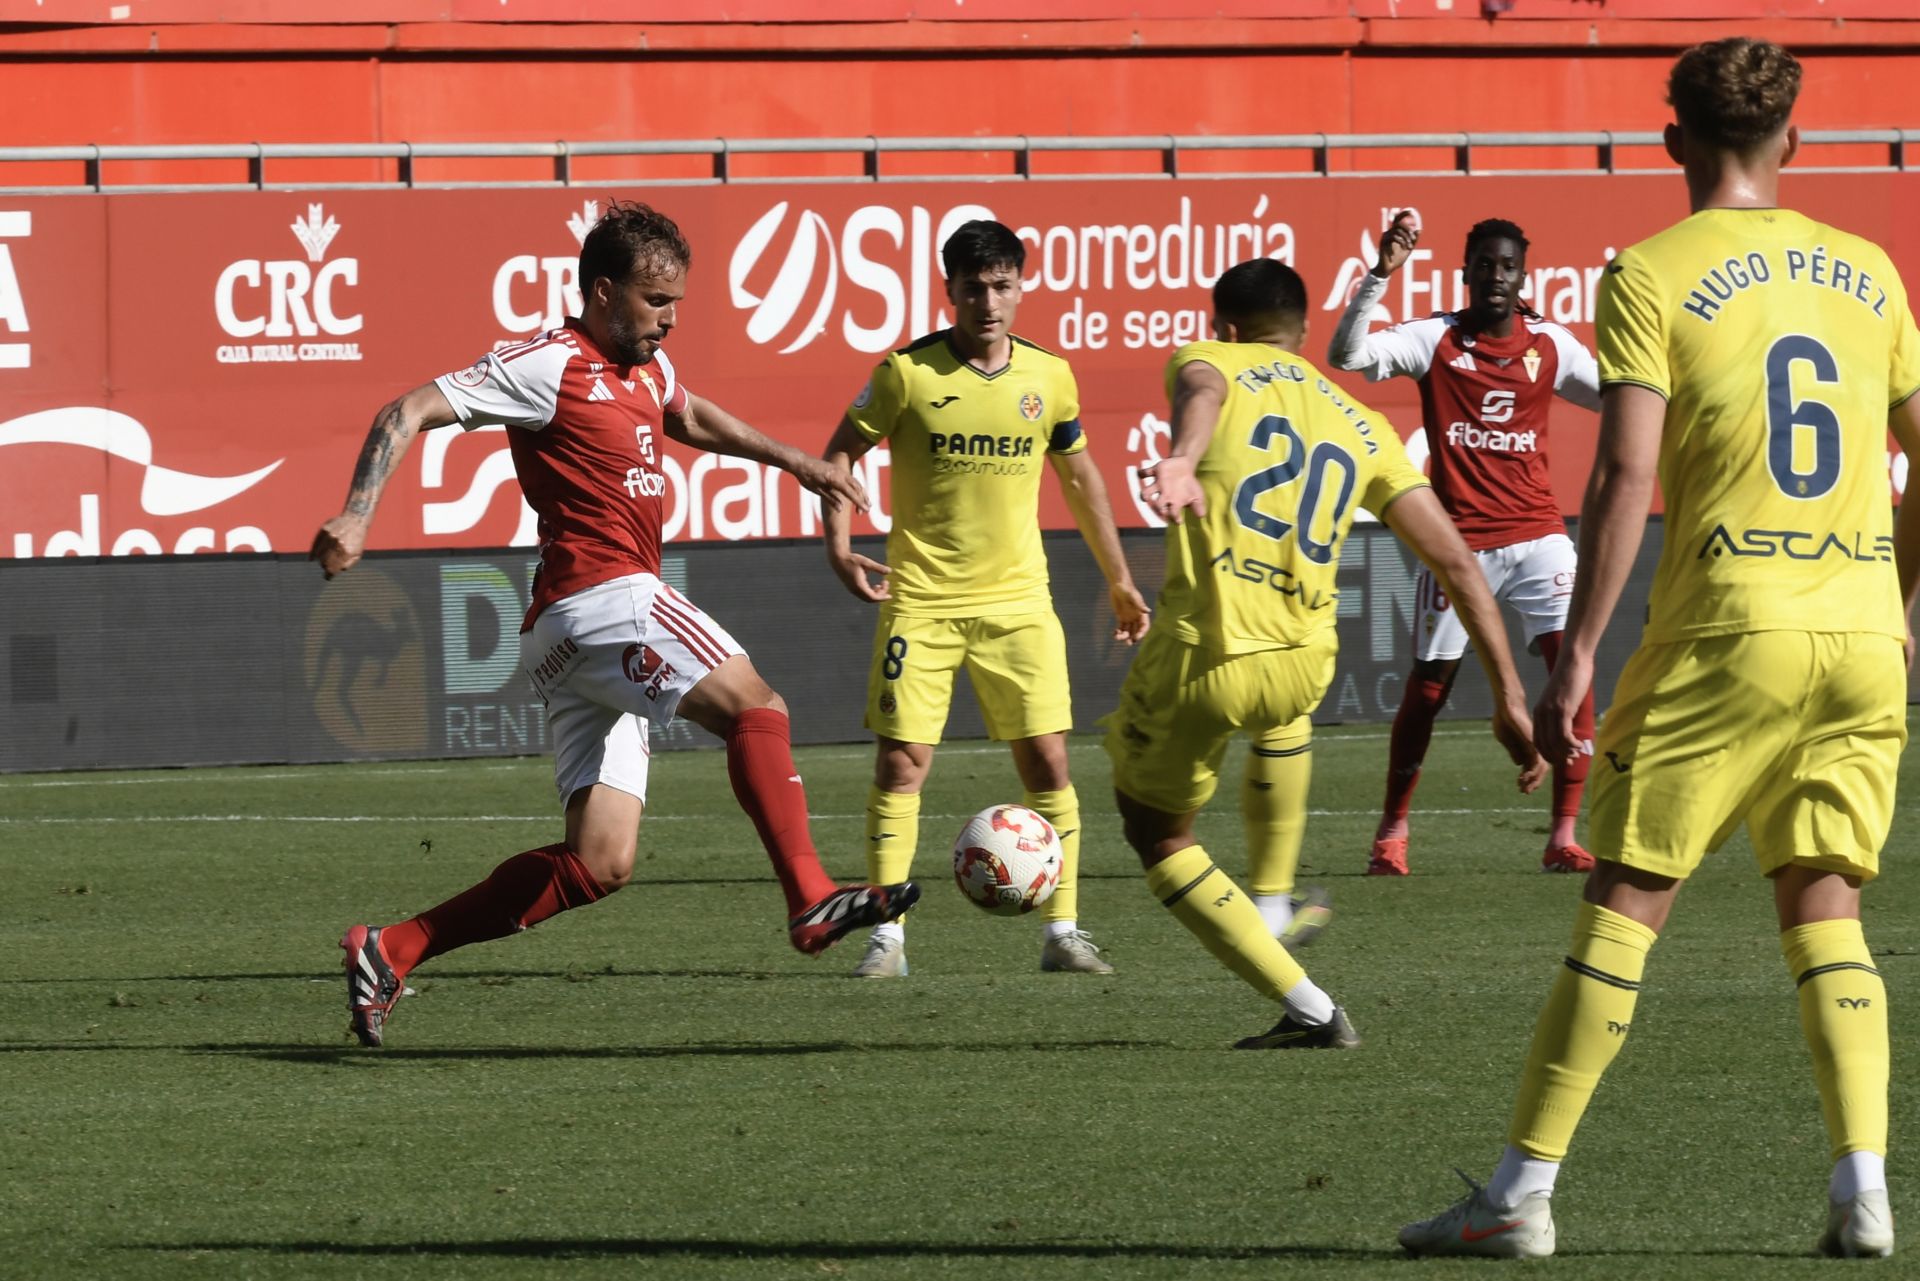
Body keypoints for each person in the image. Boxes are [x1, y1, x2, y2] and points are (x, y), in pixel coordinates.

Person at [1399, 37, 1920, 1259]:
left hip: (1731, 627)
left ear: (1672, 137)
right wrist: (1902, 602)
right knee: (1825, 901)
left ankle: (1520, 1194)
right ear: (1795, 140)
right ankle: (1865, 1188)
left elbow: (1628, 468)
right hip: (1858, 635)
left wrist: (1576, 651)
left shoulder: (1649, 271)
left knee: (1626, 900)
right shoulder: (1870, 269)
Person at [311, 202, 919, 1048]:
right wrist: (356, 515)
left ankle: (391, 946)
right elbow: (404, 410)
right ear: (602, 292)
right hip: (601, 597)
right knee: (757, 704)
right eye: (654, 301)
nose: (668, 320)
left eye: (676, 304)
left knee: (601, 861)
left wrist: (804, 465)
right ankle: (810, 894)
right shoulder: (549, 360)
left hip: (571, 638)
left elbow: (693, 416)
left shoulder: (646, 371)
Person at [1114, 257, 1545, 1049]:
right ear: (1306, 333)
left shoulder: (1212, 359)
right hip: (1306, 662)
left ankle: (1307, 1004)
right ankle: (1274, 894)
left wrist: (1182, 455)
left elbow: (1203, 393)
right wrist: (1509, 695)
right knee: (1278, 730)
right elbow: (1456, 561)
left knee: (1158, 834)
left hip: (1211, 650)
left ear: (1229, 326)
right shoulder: (1360, 421)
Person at [821, 219, 1151, 978]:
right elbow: (840, 452)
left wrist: (1119, 578)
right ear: (950, 291)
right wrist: (838, 544)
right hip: (924, 600)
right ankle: (887, 938)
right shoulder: (907, 373)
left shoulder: (1050, 377)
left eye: (1002, 286)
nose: (989, 302)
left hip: (1018, 602)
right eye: (974, 287)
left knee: (1049, 760)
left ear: (1021, 287)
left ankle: (1063, 931)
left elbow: (1082, 479)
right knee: (903, 764)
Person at [1329, 212, 1602, 876]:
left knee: (1575, 670)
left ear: (1523, 275)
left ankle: (1563, 834)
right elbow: (1347, 356)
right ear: (1466, 271)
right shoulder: (1436, 340)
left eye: (1507, 266)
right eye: (1484, 264)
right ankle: (1392, 831)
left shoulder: (1551, 346)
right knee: (1428, 690)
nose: (1495, 276)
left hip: (1540, 535)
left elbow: (1622, 395)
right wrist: (1381, 275)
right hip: (1460, 547)